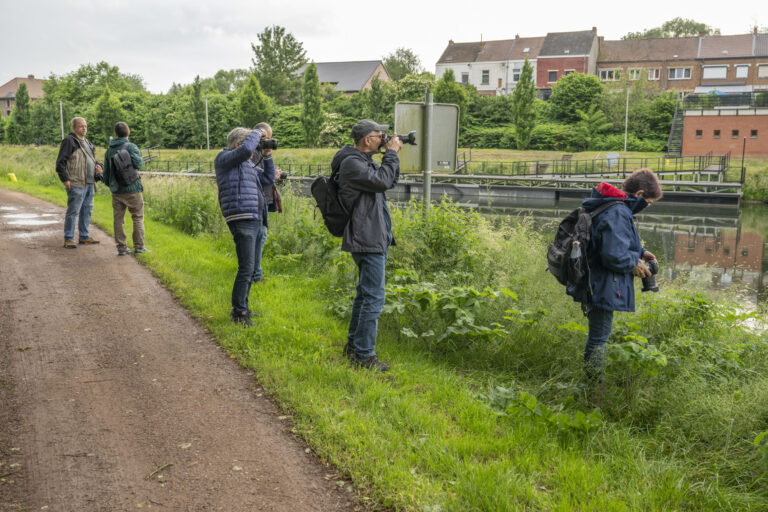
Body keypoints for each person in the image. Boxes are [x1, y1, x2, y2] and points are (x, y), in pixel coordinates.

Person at [568, 168, 663, 387]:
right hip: (602, 283)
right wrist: (633, 263)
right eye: (648, 201)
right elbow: (613, 253)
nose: (647, 206)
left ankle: (593, 385)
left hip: (598, 280)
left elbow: (614, 238)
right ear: (639, 194)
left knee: (599, 335)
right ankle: (594, 389)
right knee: (599, 338)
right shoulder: (618, 211)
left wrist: (640, 252)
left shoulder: (613, 205)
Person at [333, 119, 403, 372]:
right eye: (379, 135)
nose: (384, 138)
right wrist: (392, 153)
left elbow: (388, 180)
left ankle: (354, 348)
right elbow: (383, 182)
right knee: (374, 297)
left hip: (372, 235)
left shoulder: (361, 161)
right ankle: (364, 355)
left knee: (365, 296)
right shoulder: (352, 163)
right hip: (366, 237)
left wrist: (390, 157)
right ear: (367, 140)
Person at [214, 125, 276, 326]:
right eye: (254, 143)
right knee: (246, 267)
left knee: (250, 268)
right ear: (238, 144)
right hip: (241, 217)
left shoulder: (249, 165)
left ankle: (244, 307)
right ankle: (239, 312)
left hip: (256, 217)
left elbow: (267, 178)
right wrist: (257, 133)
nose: (255, 148)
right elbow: (247, 150)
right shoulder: (223, 158)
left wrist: (267, 155)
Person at [55, 117, 103, 248]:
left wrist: (99, 166)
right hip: (76, 182)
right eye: (81, 126)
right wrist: (65, 179)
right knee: (73, 211)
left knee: (87, 211)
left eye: (85, 126)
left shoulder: (87, 142)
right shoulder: (69, 141)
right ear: (74, 128)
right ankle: (68, 238)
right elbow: (60, 163)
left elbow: (91, 160)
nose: (84, 128)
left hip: (89, 183)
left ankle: (84, 236)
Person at [102, 122, 146, 256]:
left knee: (118, 219)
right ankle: (139, 247)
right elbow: (139, 164)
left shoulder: (109, 150)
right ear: (128, 132)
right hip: (132, 188)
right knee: (137, 217)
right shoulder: (131, 146)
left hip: (117, 191)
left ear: (116, 134)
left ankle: (122, 247)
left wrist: (112, 186)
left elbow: (106, 174)